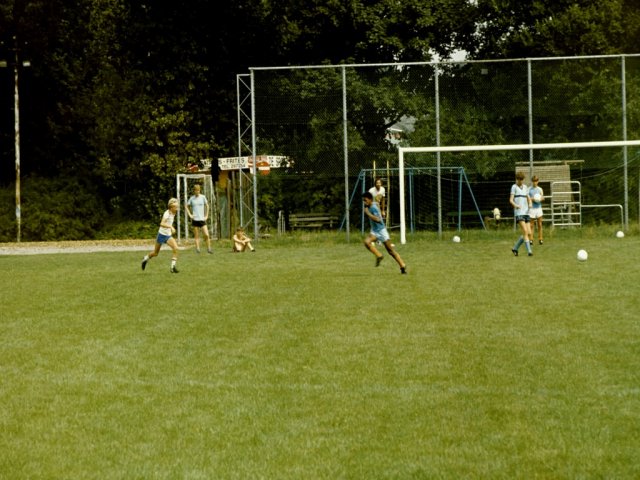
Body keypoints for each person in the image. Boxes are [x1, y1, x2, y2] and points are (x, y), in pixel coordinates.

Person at [362, 191, 406, 274]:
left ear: (370, 199)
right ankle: (379, 255)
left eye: (365, 200)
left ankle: (402, 265)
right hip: (374, 231)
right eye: (363, 200)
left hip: (382, 231)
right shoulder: (370, 206)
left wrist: (368, 213)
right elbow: (377, 203)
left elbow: (378, 220)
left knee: (391, 251)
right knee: (367, 242)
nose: (364, 202)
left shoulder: (373, 208)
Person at [141, 198, 180, 273]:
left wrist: (170, 228)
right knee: (155, 253)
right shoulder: (167, 213)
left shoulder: (173, 212)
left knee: (176, 248)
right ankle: (145, 258)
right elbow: (161, 223)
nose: (177, 208)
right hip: (161, 235)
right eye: (176, 207)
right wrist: (171, 227)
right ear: (171, 207)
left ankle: (172, 267)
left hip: (168, 235)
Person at [510, 172, 533, 257]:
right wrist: (516, 205)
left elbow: (528, 198)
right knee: (525, 231)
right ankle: (529, 251)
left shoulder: (525, 187)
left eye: (522, 180)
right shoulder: (514, 187)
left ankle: (515, 248)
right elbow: (511, 200)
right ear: (517, 179)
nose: (520, 181)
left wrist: (530, 203)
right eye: (519, 179)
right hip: (519, 213)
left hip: (526, 212)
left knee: (528, 233)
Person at [186, 184, 212, 254]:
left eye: (198, 190)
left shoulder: (203, 197)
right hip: (195, 219)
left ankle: (209, 249)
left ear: (199, 190)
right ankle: (198, 249)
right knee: (196, 236)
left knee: (206, 234)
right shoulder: (192, 198)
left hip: (202, 219)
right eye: (196, 190)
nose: (197, 191)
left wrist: (206, 215)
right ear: (194, 191)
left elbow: (207, 206)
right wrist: (190, 215)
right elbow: (186, 206)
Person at [528, 175, 544, 245]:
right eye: (534, 181)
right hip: (532, 209)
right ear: (532, 181)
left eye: (536, 181)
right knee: (531, 225)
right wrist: (533, 199)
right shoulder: (529, 189)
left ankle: (540, 239)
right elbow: (527, 198)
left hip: (539, 208)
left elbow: (543, 198)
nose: (535, 182)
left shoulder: (540, 189)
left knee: (539, 224)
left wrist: (540, 199)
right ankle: (531, 239)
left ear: (538, 181)